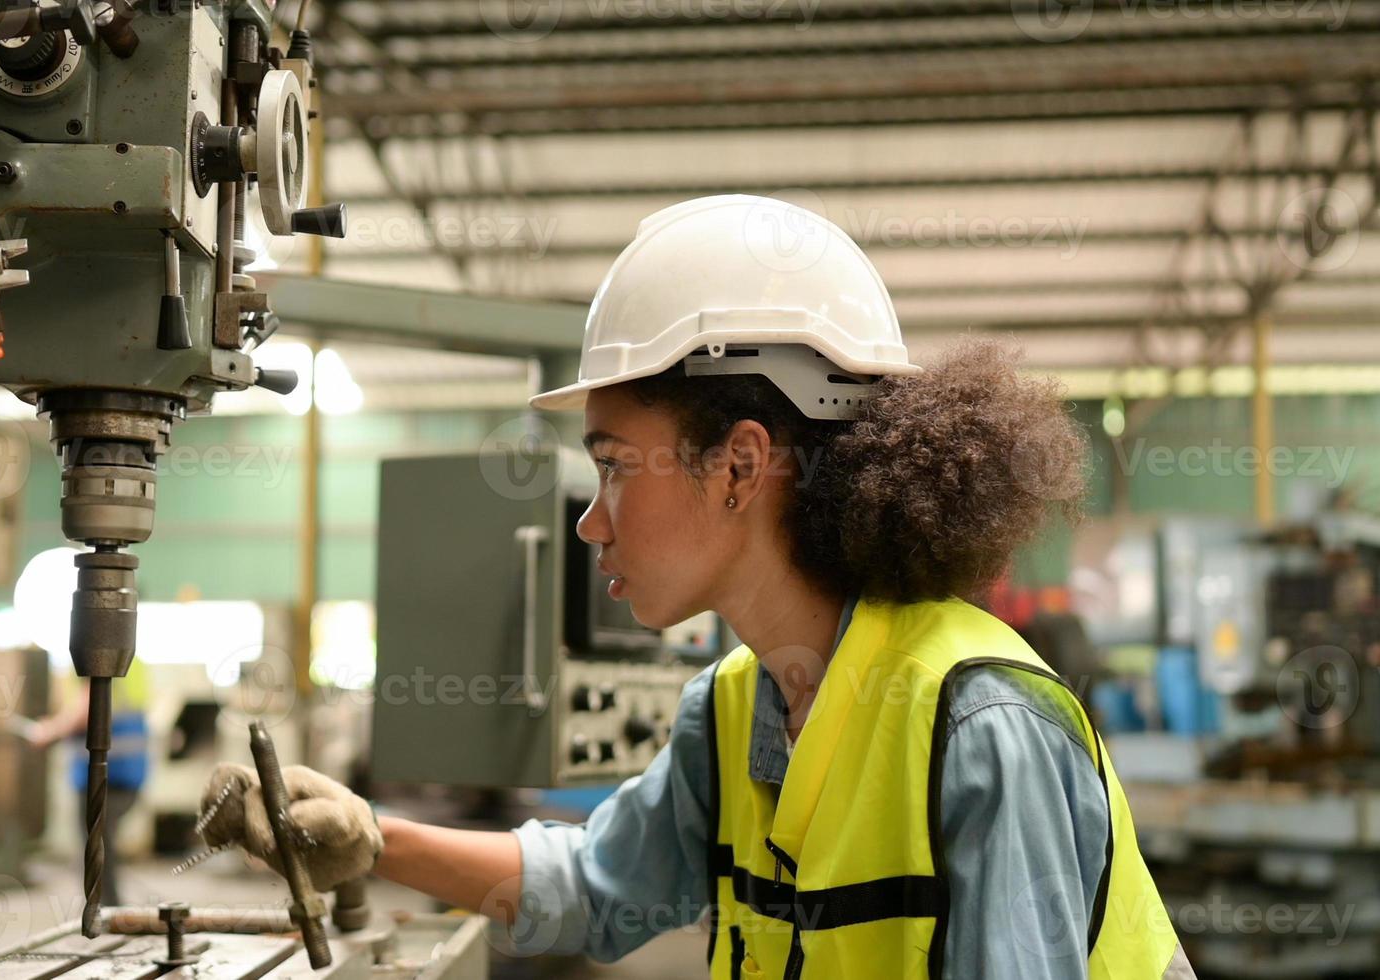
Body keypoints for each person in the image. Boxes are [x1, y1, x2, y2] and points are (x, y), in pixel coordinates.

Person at [200, 195, 1193, 978]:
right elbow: (598, 886)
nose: (591, 520)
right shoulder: (732, 710)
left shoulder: (978, 726)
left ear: (738, 465)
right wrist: (372, 840)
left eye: (617, 466)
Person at [30, 656, 150, 906]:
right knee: (99, 844)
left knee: (96, 845)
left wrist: (48, 731)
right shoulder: (129, 656)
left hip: (108, 776)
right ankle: (107, 909)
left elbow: (86, 709)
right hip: (126, 773)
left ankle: (107, 911)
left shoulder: (93, 650)